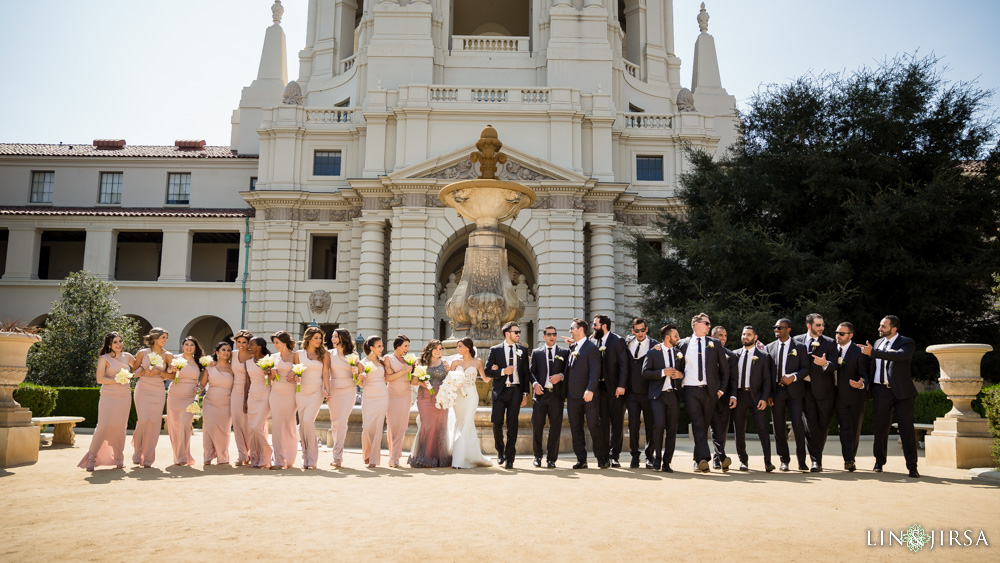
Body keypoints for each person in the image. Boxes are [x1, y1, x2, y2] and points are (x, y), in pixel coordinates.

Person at [862, 315, 919, 478]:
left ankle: (912, 466)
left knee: (906, 428)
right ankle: (879, 462)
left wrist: (874, 352)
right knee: (880, 427)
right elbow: (873, 364)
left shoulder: (906, 342)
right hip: (881, 391)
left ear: (894, 329)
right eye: (880, 325)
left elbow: (899, 356)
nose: (879, 329)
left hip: (902, 392)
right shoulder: (878, 343)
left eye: (883, 326)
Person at [676, 313, 730, 473]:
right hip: (690, 390)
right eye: (706, 323)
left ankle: (698, 460)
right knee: (698, 424)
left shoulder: (714, 343)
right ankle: (705, 457)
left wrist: (720, 390)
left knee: (704, 424)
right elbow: (671, 357)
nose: (709, 326)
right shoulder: (683, 344)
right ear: (696, 324)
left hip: (709, 391)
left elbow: (725, 370)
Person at [78, 332, 134, 471]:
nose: (119, 344)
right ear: (109, 344)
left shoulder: (128, 357)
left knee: (120, 426)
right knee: (103, 426)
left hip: (125, 395)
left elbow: (139, 369)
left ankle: (118, 458)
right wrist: (116, 380)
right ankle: (91, 458)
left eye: (120, 341)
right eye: (115, 342)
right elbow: (99, 379)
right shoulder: (104, 358)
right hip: (109, 395)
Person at [795, 313, 839, 472]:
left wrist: (825, 363)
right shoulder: (796, 340)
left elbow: (835, 364)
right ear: (809, 326)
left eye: (822, 325)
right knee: (810, 426)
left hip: (825, 391)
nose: (822, 328)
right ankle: (816, 461)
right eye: (818, 325)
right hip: (804, 389)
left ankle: (816, 457)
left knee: (823, 425)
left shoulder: (830, 342)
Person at [728, 326, 774, 472]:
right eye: (743, 334)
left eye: (748, 334)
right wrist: (733, 395)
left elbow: (767, 380)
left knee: (762, 429)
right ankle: (743, 461)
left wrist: (764, 398)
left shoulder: (763, 356)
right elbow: (732, 379)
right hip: (739, 396)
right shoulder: (734, 355)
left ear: (755, 337)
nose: (745, 337)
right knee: (739, 430)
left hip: (757, 397)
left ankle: (768, 461)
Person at [484, 321, 529, 469]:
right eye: (516, 332)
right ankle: (500, 451)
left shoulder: (522, 350)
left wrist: (525, 393)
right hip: (500, 391)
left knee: (513, 425)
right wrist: (503, 371)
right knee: (496, 423)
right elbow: (488, 371)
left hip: (515, 390)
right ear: (507, 333)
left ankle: (510, 458)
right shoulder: (495, 350)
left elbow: (525, 373)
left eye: (519, 332)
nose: (518, 334)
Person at [767, 318, 809, 472]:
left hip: (795, 391)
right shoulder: (769, 348)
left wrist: (794, 377)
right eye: (775, 327)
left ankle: (802, 461)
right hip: (776, 392)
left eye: (780, 327)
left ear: (788, 329)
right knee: (778, 427)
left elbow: (806, 368)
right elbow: (767, 373)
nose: (776, 330)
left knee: (798, 425)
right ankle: (784, 460)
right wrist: (768, 394)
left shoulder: (799, 347)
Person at [564, 318, 605, 469]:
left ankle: (601, 458)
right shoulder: (574, 348)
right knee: (576, 427)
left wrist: (590, 389)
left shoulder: (591, 348)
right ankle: (581, 459)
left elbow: (595, 371)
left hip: (589, 396)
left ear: (580, 329)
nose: (570, 331)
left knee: (594, 425)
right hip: (573, 396)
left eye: (572, 328)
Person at [130, 327, 173, 467]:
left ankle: (148, 457)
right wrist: (143, 371)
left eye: (166, 338)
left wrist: (159, 373)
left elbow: (173, 376)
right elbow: (134, 370)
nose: (165, 341)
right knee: (143, 420)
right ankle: (137, 451)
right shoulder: (143, 353)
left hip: (158, 391)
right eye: (163, 338)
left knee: (154, 423)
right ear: (155, 339)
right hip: (142, 389)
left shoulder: (168, 356)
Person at [642, 324, 682, 472]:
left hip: (674, 395)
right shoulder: (653, 353)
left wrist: (680, 374)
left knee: (672, 430)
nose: (678, 338)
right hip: (658, 396)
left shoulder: (678, 353)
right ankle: (657, 458)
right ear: (667, 337)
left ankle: (667, 462)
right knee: (658, 426)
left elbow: (684, 371)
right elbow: (645, 372)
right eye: (676, 336)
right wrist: (662, 372)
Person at [528, 326, 568, 468]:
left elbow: (568, 371)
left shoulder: (564, 352)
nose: (552, 337)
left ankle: (552, 459)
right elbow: (530, 372)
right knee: (537, 426)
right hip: (540, 396)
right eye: (549, 334)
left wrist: (561, 376)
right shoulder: (536, 352)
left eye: (554, 334)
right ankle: (537, 456)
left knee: (555, 428)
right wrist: (535, 384)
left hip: (556, 396)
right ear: (543, 336)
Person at [408, 339, 452, 468]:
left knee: (440, 426)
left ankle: (437, 459)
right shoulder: (420, 363)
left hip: (441, 399)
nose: (438, 351)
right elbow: (412, 381)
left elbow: (449, 380)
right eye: (436, 349)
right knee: (427, 425)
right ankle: (425, 458)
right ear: (430, 349)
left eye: (440, 349)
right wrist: (422, 382)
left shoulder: (445, 364)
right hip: (425, 398)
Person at [832, 322, 869, 472]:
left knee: (854, 430)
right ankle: (848, 459)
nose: (838, 336)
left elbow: (865, 374)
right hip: (836, 396)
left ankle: (850, 458)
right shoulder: (832, 350)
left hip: (855, 396)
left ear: (850, 335)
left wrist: (861, 383)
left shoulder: (859, 351)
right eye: (836, 333)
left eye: (841, 334)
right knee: (844, 429)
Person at [450, 338, 492, 469]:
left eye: (460, 346)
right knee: (460, 422)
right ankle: (463, 454)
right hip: (458, 396)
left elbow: (485, 379)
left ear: (467, 347)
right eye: (457, 347)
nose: (458, 349)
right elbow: (449, 379)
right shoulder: (455, 362)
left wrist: (495, 371)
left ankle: (459, 459)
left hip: (471, 396)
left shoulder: (478, 362)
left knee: (467, 422)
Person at [592, 314, 628, 467]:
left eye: (595, 325)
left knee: (617, 422)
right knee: (602, 423)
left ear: (604, 326)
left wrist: (621, 385)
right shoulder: (592, 341)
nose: (593, 327)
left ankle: (615, 455)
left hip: (615, 388)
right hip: (599, 389)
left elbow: (623, 365)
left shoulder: (617, 341)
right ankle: (604, 455)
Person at [165, 336, 204, 466]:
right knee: (175, 425)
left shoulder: (199, 361)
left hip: (190, 396)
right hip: (175, 394)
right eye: (186, 344)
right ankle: (179, 456)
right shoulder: (175, 359)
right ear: (182, 346)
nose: (189, 347)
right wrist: (172, 369)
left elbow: (205, 377)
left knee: (185, 425)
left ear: (195, 347)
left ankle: (183, 455)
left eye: (192, 345)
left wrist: (200, 389)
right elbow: (167, 371)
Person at [624, 318, 657, 468]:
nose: (640, 333)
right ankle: (635, 456)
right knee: (633, 425)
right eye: (637, 331)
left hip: (649, 393)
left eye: (642, 330)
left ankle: (649, 456)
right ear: (633, 331)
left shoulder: (655, 345)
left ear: (647, 329)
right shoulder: (627, 343)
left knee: (650, 425)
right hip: (631, 393)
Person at [295, 327, 329, 470]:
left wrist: (326, 388)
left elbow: (326, 372)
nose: (319, 341)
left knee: (308, 421)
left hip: (316, 391)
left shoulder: (324, 354)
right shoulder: (299, 354)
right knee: (303, 424)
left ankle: (312, 457)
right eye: (316, 338)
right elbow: (295, 371)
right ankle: (305, 457)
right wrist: (295, 376)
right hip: (301, 392)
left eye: (320, 338)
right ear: (308, 338)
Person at [327, 328, 359, 469]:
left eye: (336, 336)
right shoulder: (328, 354)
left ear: (343, 338)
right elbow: (326, 374)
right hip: (334, 390)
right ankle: (337, 454)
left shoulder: (354, 355)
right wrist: (326, 391)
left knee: (342, 422)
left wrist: (356, 372)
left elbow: (358, 380)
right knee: (335, 423)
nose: (333, 339)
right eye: (333, 336)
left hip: (348, 390)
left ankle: (337, 456)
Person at [268, 331, 299, 469]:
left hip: (292, 393)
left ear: (285, 342)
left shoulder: (296, 356)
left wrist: (296, 373)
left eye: (277, 342)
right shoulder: (273, 357)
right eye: (274, 342)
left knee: (290, 424)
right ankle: (279, 459)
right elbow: (267, 380)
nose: (275, 345)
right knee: (277, 425)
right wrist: (271, 374)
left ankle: (290, 458)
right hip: (276, 392)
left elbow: (300, 373)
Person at [383, 335, 415, 468]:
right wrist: (403, 371)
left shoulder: (409, 360)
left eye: (408, 346)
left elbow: (411, 379)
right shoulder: (388, 358)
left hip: (406, 394)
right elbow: (388, 378)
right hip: (392, 395)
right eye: (405, 346)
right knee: (392, 425)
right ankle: (393, 454)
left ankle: (395, 457)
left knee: (402, 426)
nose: (407, 349)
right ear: (398, 346)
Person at [200, 341, 234, 466]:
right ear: (217, 352)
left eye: (228, 350)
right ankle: (208, 456)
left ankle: (222, 456)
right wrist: (196, 395)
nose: (226, 352)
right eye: (223, 350)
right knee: (208, 429)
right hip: (210, 402)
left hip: (226, 402)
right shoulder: (210, 367)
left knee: (224, 430)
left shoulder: (233, 368)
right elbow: (202, 384)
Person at [709, 325, 738, 471]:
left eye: (725, 335)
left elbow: (733, 379)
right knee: (710, 428)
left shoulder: (731, 356)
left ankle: (717, 458)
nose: (723, 338)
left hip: (725, 398)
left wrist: (733, 395)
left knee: (722, 429)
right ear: (713, 337)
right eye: (720, 335)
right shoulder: (705, 353)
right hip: (707, 396)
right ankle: (705, 458)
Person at [358, 335, 388, 468]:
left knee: (378, 427)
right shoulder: (362, 363)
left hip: (382, 395)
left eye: (382, 346)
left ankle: (374, 458)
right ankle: (367, 454)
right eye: (379, 346)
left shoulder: (383, 362)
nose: (382, 348)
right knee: (367, 427)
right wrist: (361, 377)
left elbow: (387, 378)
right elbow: (359, 385)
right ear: (371, 348)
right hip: (369, 396)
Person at [245, 337, 273, 469]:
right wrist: (245, 400)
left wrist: (270, 373)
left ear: (260, 347)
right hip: (252, 396)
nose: (248, 346)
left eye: (251, 344)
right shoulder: (248, 362)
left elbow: (275, 379)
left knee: (257, 427)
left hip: (265, 395)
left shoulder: (270, 360)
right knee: (252, 429)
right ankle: (255, 458)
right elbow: (247, 382)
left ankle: (266, 454)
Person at [229, 330, 253, 466]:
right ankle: (242, 455)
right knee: (237, 423)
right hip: (235, 392)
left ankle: (251, 453)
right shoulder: (232, 355)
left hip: (251, 391)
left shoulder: (252, 355)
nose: (241, 345)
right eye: (239, 342)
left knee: (249, 424)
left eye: (244, 342)